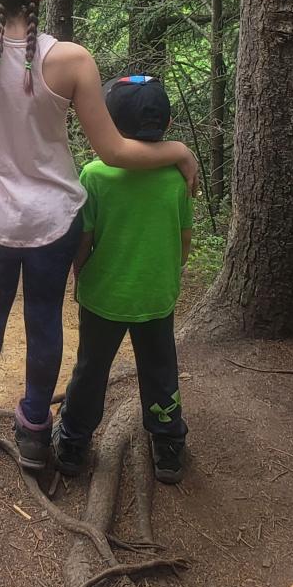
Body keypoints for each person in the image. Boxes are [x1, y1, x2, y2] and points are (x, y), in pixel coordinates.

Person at [0, 0, 198, 470]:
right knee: (45, 316)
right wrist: (179, 151)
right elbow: (113, 150)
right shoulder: (72, 61)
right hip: (55, 221)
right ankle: (33, 431)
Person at [52, 74, 192, 484]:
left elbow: (84, 238)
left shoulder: (96, 174)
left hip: (104, 295)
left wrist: (82, 275)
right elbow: (184, 242)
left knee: (91, 369)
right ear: (166, 127)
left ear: (108, 126)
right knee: (161, 367)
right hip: (156, 295)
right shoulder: (177, 177)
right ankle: (168, 446)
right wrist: (167, 273)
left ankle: (74, 442)